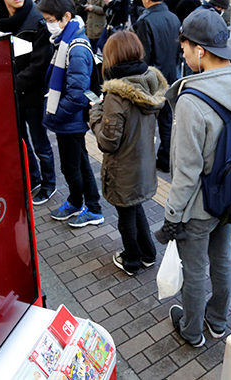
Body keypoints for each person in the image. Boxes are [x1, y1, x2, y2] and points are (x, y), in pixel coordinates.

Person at [156, 9, 231, 347]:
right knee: (222, 259)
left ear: (199, 50)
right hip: (230, 197)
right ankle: (218, 321)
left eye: (183, 48)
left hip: (198, 205)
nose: (181, 55)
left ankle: (192, 331)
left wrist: (171, 217)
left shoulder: (192, 100)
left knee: (195, 271)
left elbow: (186, 171)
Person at [89, 31, 167, 275]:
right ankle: (148, 254)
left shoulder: (116, 95)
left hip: (123, 169)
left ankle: (132, 259)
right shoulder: (148, 82)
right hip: (144, 164)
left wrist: (94, 114)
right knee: (135, 208)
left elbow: (107, 142)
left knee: (126, 215)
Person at [38, 0, 105, 228]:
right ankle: (82, 204)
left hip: (70, 120)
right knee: (80, 164)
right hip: (69, 120)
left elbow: (77, 94)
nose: (49, 25)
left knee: (73, 167)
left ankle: (87, 207)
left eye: (50, 20)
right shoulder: (65, 41)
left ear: (66, 17)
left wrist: (57, 115)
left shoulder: (75, 47)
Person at [0, 0, 57, 205]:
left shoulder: (37, 19)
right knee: (20, 141)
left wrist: (10, 83)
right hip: (10, 94)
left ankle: (49, 184)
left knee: (40, 143)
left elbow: (40, 64)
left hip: (32, 94)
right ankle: (32, 178)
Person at [133, 0, 180, 173]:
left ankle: (145, 160)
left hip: (152, 79)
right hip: (171, 76)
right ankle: (166, 158)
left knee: (146, 121)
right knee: (167, 120)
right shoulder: (174, 18)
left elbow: (143, 57)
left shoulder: (145, 20)